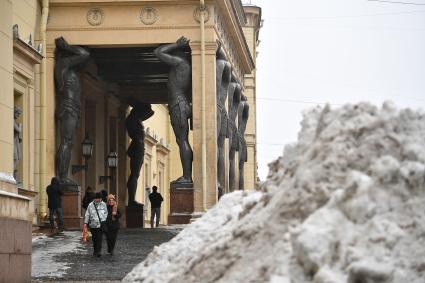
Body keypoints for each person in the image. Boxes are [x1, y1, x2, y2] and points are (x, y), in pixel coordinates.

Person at [154, 36, 193, 186]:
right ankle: (187, 175)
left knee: (182, 140)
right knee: (181, 140)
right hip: (180, 104)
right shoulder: (184, 64)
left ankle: (187, 176)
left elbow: (158, 52)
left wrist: (175, 44)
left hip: (178, 104)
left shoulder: (180, 63)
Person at [54, 36, 90, 185]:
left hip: (73, 107)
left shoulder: (71, 70)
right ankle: (62, 177)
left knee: (68, 142)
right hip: (68, 106)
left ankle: (63, 176)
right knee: (66, 142)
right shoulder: (63, 64)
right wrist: (67, 46)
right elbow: (84, 54)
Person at [84, 192, 108, 257]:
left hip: (100, 224)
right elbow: (87, 214)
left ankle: (98, 251)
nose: (99, 200)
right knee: (94, 238)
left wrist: (103, 219)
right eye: (98, 198)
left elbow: (106, 213)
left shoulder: (103, 204)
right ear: (95, 198)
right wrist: (85, 223)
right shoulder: (90, 205)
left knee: (99, 238)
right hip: (93, 225)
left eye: (100, 198)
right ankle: (95, 250)